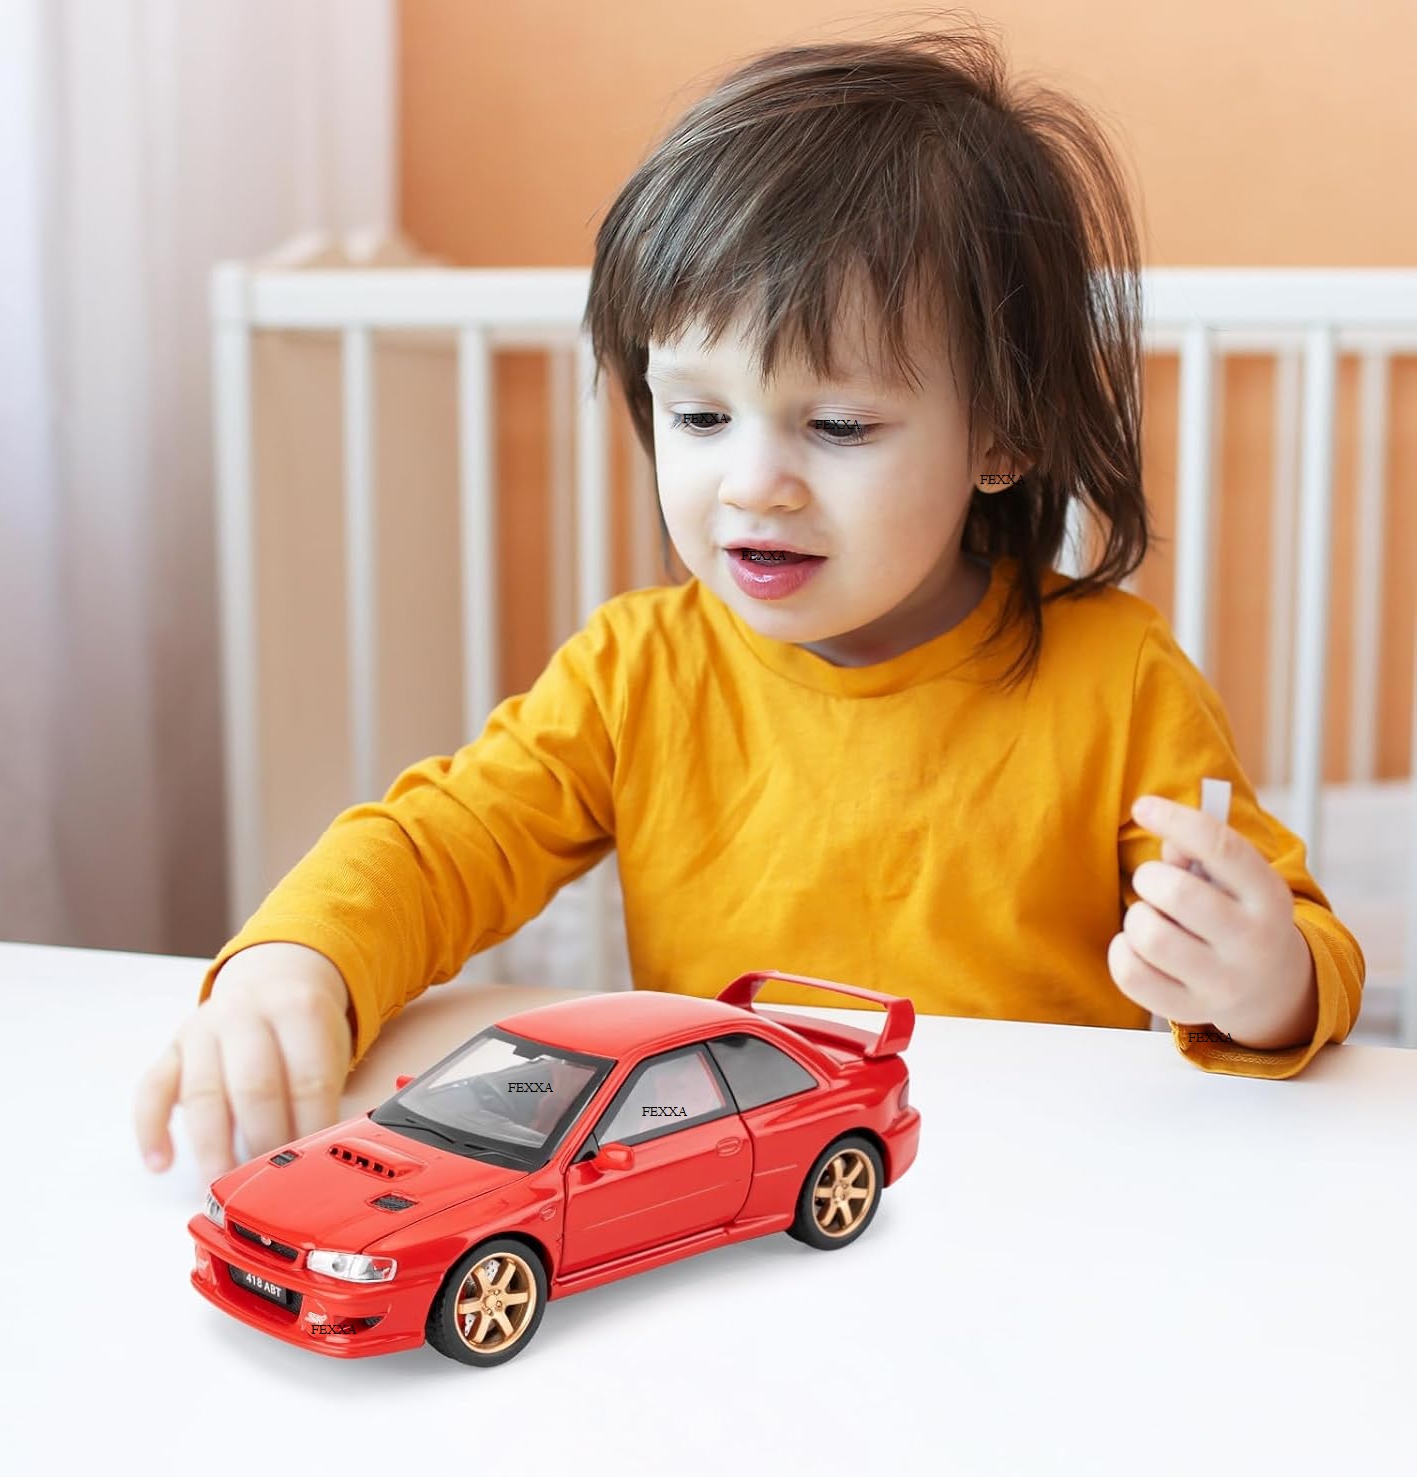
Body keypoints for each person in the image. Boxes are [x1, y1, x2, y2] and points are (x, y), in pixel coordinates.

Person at [136, 23, 1364, 1184]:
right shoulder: (636, 672)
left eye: (838, 426)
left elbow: (1301, 952)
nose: (752, 482)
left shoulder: (1120, 680)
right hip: (729, 1196)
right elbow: (438, 846)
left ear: (1001, 435)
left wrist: (1265, 983)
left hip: (1028, 1189)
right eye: (700, 416)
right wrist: (298, 961)